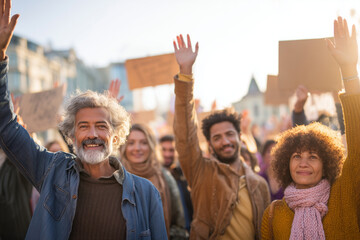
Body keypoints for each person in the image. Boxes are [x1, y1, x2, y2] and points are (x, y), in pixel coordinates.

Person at [0, 1, 167, 238]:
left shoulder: (146, 193)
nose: (92, 134)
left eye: (101, 126)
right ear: (71, 135)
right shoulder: (51, 172)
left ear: (117, 136)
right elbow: (6, 127)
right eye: (83, 126)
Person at [261, 16, 360, 239]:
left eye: (313, 156)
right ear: (286, 161)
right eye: (297, 155)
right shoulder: (273, 214)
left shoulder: (344, 193)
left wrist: (349, 71)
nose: (303, 163)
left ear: (328, 163)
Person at [173, 34, 270, 239]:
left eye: (229, 134)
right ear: (209, 144)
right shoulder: (202, 173)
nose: (225, 141)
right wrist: (186, 75)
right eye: (217, 137)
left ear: (239, 136)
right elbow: (185, 135)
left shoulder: (259, 185)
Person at [120, 124, 187, 239]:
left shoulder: (165, 177)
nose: (137, 148)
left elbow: (179, 222)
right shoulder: (115, 177)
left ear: (151, 146)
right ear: (123, 147)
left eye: (144, 143)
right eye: (131, 143)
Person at [159, 134, 194, 232]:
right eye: (164, 150)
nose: (167, 154)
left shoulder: (183, 176)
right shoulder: (155, 177)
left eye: (171, 150)